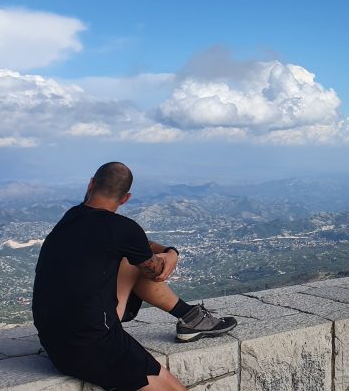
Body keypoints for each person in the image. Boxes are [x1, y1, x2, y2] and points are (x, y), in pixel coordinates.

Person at [32, 162, 237, 391]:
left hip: (55, 341)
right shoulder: (122, 229)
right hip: (92, 345)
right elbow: (157, 270)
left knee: (129, 260)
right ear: (126, 198)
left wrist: (163, 250)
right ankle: (192, 319)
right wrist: (173, 254)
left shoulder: (72, 217)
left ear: (90, 184)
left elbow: (138, 246)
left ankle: (190, 317)